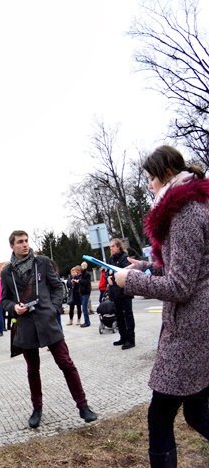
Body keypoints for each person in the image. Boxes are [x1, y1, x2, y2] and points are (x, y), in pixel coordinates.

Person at [113, 145, 209, 467]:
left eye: (151, 179)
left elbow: (181, 286)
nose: (150, 186)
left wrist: (131, 282)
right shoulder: (194, 203)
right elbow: (187, 268)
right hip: (199, 326)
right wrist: (147, 266)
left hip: (191, 329)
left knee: (160, 416)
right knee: (197, 411)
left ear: (166, 175)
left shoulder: (183, 212)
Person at [1, 230, 97, 428]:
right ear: (12, 246)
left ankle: (83, 406)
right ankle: (37, 409)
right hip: (26, 325)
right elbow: (3, 300)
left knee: (66, 363)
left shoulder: (42, 262)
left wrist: (53, 309)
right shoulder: (7, 272)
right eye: (20, 242)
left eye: (26, 241)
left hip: (48, 322)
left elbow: (58, 288)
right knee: (32, 370)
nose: (25, 244)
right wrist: (13, 308)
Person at [108, 238, 134, 349]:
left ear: (118, 246)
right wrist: (107, 277)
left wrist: (112, 277)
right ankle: (122, 337)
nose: (111, 249)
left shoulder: (124, 258)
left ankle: (130, 340)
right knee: (119, 316)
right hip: (115, 292)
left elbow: (124, 273)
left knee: (127, 315)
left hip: (124, 292)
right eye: (110, 247)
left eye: (113, 246)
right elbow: (107, 270)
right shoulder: (111, 259)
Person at [79, 262, 92, 328]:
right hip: (83, 292)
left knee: (84, 308)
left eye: (83, 266)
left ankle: (87, 322)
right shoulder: (82, 274)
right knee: (84, 308)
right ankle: (87, 321)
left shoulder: (87, 274)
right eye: (82, 266)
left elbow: (86, 282)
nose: (82, 267)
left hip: (86, 292)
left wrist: (79, 281)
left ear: (86, 266)